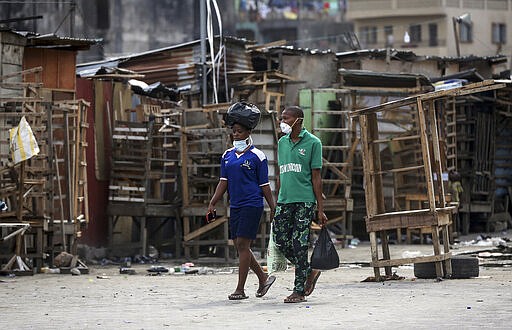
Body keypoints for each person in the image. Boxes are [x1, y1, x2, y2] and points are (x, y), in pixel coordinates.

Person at [208, 103, 276, 300]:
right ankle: (263, 278)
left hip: (252, 204)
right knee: (239, 245)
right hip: (235, 205)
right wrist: (213, 202)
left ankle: (240, 289)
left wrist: (273, 207)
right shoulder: (227, 156)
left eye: (239, 132)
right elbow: (223, 182)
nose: (235, 135)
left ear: (248, 132)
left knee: (243, 245)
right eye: (234, 132)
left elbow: (264, 185)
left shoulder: (258, 156)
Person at [273, 105, 328, 303]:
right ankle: (309, 271)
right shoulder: (282, 143)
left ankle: (299, 291)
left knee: (299, 243)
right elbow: (281, 174)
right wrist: (277, 201)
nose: (282, 122)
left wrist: (320, 209)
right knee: (279, 239)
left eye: (286, 119)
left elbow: (316, 178)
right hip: (284, 200)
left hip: (305, 201)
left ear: (298, 120)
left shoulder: (313, 142)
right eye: (282, 118)